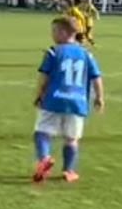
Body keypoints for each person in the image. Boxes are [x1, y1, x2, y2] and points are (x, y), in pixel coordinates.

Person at [32, 16, 103, 183]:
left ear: (64, 32)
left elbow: (44, 76)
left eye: (54, 31)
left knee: (42, 132)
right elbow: (96, 77)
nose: (52, 35)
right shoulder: (86, 54)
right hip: (77, 102)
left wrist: (39, 94)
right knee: (72, 138)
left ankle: (44, 159)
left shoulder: (53, 51)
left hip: (54, 99)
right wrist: (100, 97)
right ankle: (69, 171)